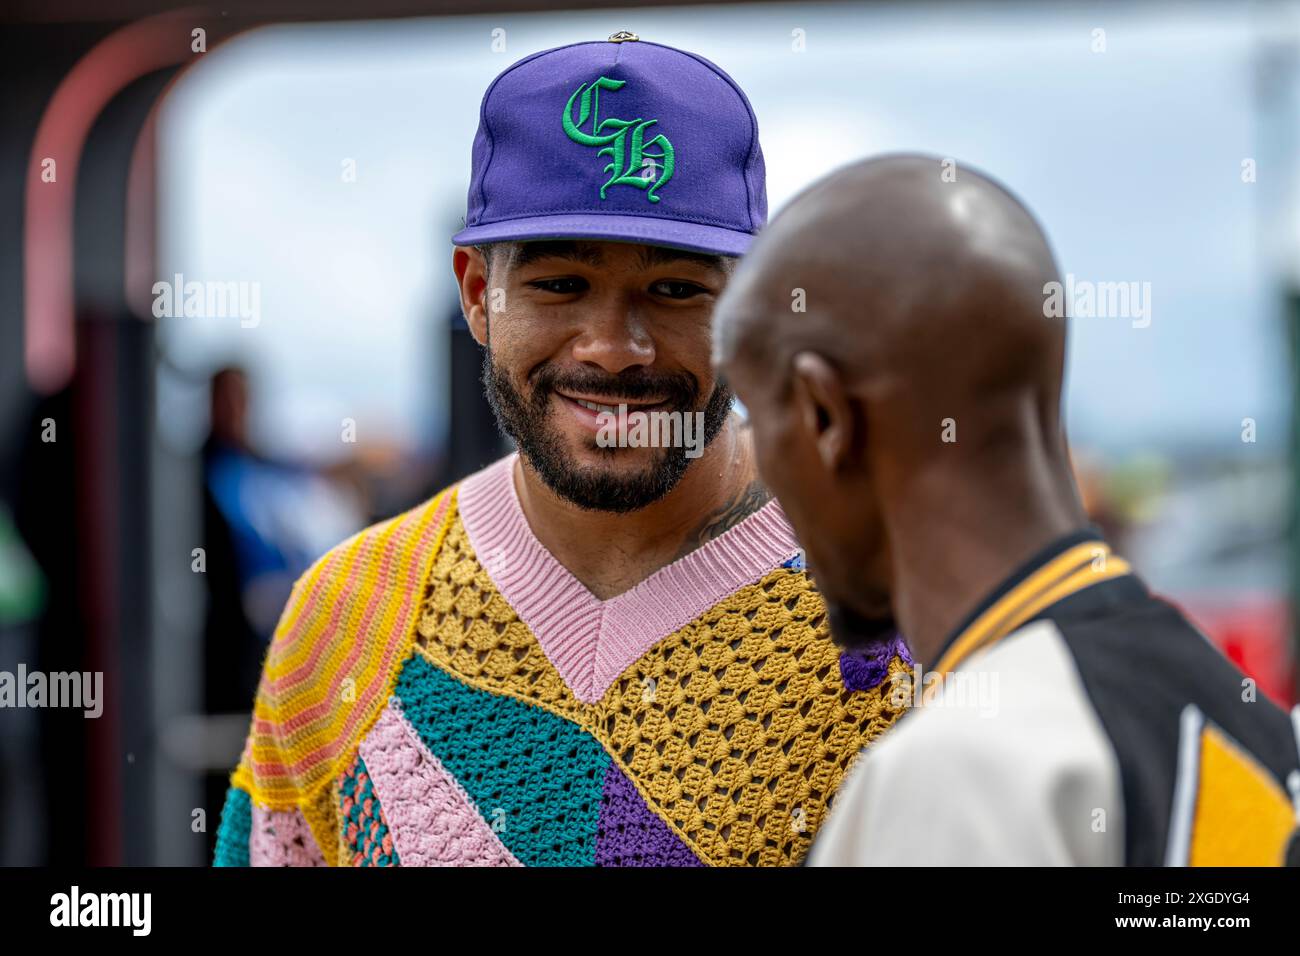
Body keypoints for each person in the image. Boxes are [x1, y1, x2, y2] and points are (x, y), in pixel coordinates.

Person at [213, 34, 909, 868]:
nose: (614, 347)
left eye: (677, 288)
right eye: (559, 284)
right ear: (478, 294)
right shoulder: (349, 620)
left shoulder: (908, 618)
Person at [712, 154, 1300, 866]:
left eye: (758, 420)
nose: (760, 469)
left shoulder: (962, 775)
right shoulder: (1251, 725)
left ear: (823, 415)